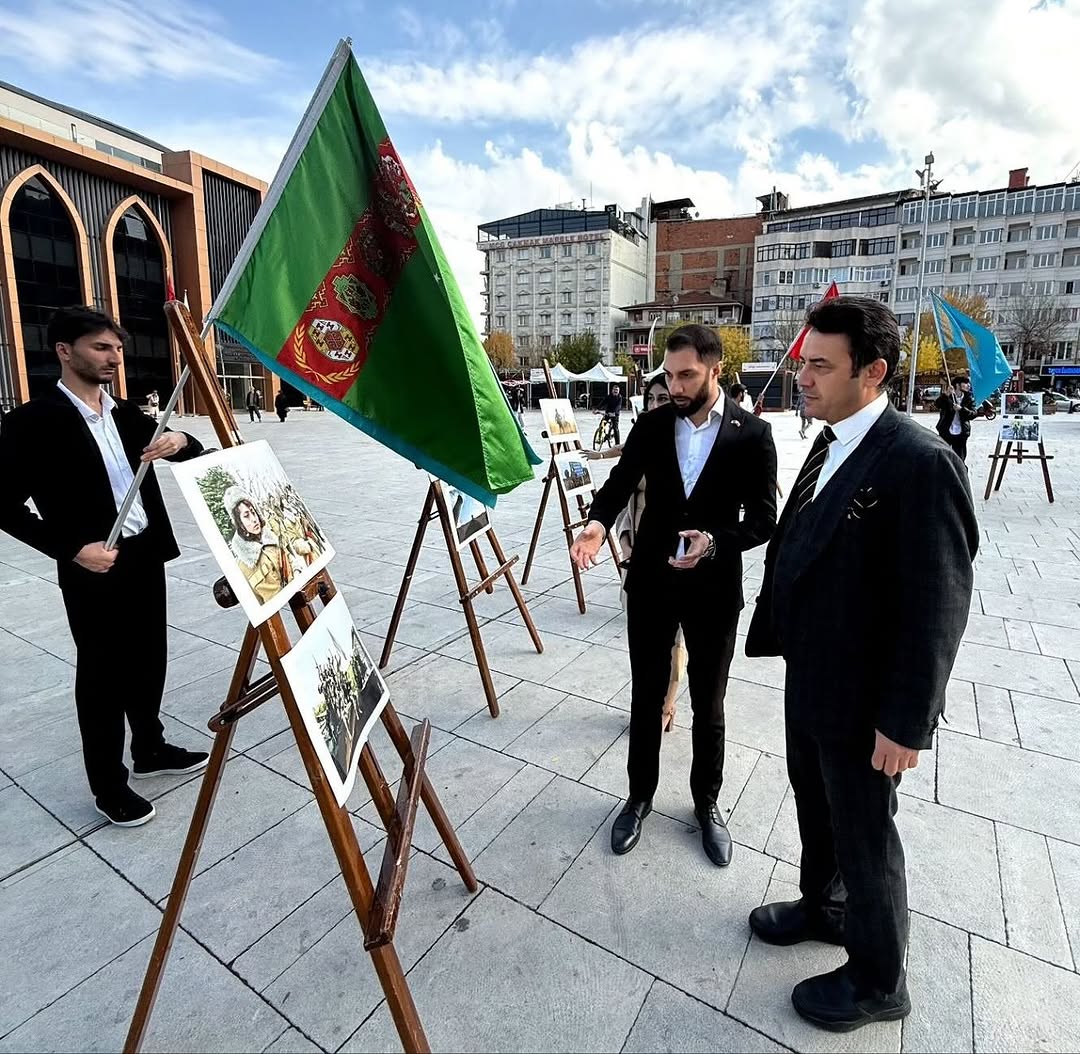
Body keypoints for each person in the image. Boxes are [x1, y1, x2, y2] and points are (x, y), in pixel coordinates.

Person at [745, 296, 978, 1033]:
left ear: (872, 372)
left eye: (820, 365)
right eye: (801, 362)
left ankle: (880, 980)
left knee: (867, 835)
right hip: (813, 674)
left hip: (865, 695)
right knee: (817, 806)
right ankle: (826, 906)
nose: (802, 378)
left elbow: (937, 604)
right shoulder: (830, 436)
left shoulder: (919, 462)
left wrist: (905, 722)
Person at [571, 324, 777, 867]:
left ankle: (707, 804)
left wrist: (714, 542)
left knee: (709, 703)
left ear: (716, 370)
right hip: (653, 585)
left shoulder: (752, 435)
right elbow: (620, 481)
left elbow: (763, 521)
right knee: (645, 695)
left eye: (687, 375)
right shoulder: (654, 423)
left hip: (713, 591)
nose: (676, 385)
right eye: (669, 375)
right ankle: (639, 797)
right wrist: (596, 522)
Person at [0, 306, 209, 828]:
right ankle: (109, 786)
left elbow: (193, 450)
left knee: (148, 658)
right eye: (101, 347)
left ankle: (151, 747)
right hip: (93, 564)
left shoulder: (125, 413)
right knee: (101, 675)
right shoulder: (33, 421)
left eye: (117, 348)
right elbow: (2, 505)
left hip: (144, 554)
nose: (115, 357)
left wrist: (180, 440)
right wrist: (72, 549)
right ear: (64, 352)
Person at [585, 373, 687, 733]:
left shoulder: (685, 445)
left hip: (677, 556)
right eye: (653, 400)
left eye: (665, 399)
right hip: (637, 556)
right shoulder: (643, 438)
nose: (658, 406)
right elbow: (624, 493)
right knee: (644, 640)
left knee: (675, 638)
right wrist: (622, 537)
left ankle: (668, 703)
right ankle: (646, 698)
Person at [224, 487, 313, 603]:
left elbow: (290, 556)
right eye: (246, 516)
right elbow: (258, 603)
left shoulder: (270, 536)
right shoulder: (243, 564)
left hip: (298, 592)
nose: (254, 519)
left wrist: (297, 573)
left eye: (253, 512)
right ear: (239, 524)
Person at [935, 375, 977, 462]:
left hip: (961, 432)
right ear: (957, 385)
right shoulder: (948, 397)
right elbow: (937, 405)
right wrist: (946, 394)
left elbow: (973, 414)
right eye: (965, 383)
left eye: (968, 383)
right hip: (946, 431)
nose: (968, 385)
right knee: (943, 457)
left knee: (959, 459)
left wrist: (961, 409)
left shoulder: (969, 398)